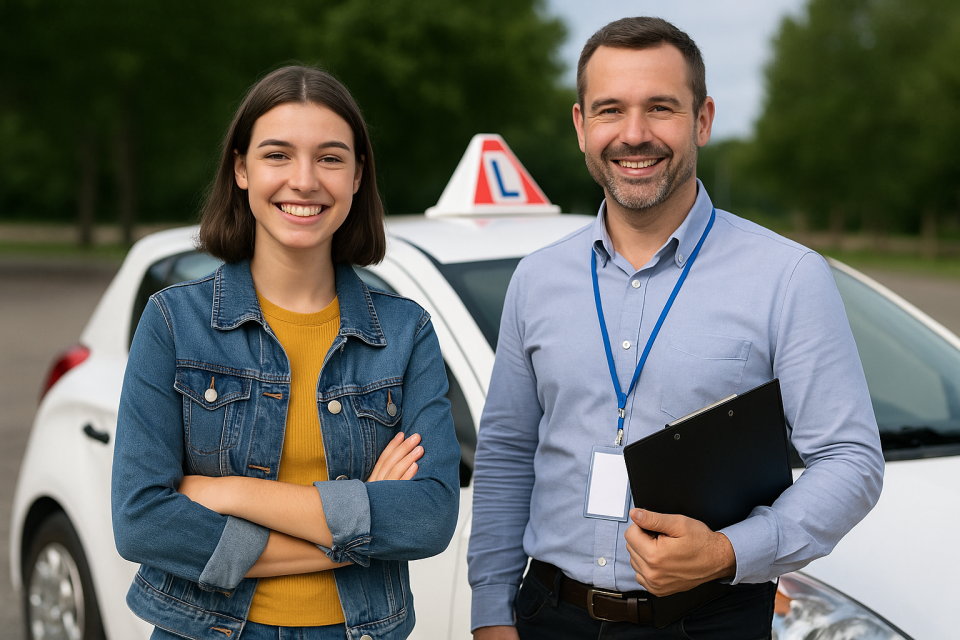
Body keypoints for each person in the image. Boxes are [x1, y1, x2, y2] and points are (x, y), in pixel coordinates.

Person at [467, 17, 884, 640]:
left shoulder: (789, 276)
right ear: (582, 126)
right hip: (546, 617)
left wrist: (727, 551)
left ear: (703, 120)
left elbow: (850, 460)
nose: (634, 135)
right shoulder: (536, 279)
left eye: (661, 108)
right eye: (610, 110)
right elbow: (505, 454)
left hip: (707, 621)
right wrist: (492, 615)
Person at [111, 65, 460, 640]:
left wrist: (229, 493)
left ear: (356, 176)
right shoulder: (174, 322)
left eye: (329, 157)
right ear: (241, 169)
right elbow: (142, 522)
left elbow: (427, 518)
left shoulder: (405, 333)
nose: (304, 180)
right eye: (277, 155)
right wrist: (356, 534)